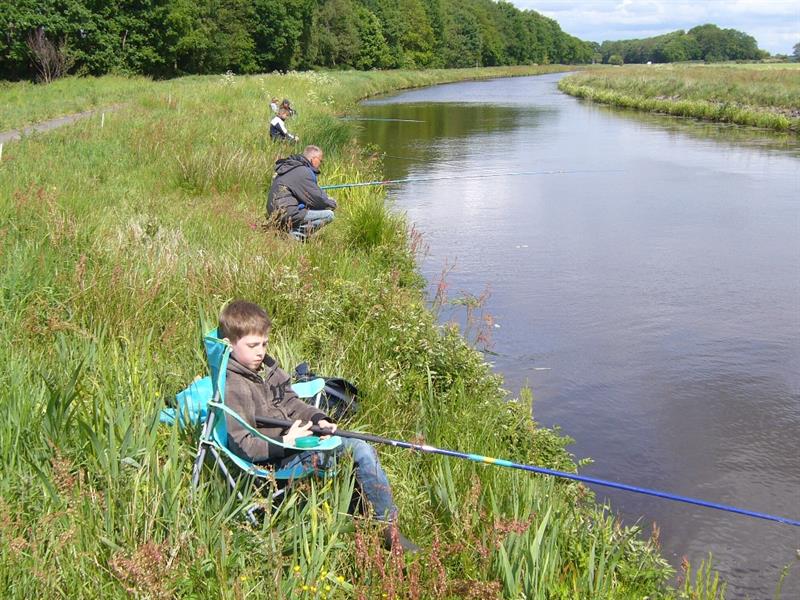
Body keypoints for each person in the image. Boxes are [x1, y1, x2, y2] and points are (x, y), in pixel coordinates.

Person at [219, 300, 419, 553]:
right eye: (252, 345)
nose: (260, 352)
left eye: (264, 344)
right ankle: (381, 527)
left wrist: (318, 419)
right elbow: (243, 444)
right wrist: (284, 443)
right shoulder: (234, 385)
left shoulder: (265, 368)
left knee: (359, 446)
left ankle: (376, 521)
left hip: (298, 442)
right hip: (276, 460)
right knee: (355, 452)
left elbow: (290, 402)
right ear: (229, 344)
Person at [267, 145, 337, 231]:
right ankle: (294, 236)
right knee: (329, 215)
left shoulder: (291, 168)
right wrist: (331, 203)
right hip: (285, 212)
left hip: (274, 212)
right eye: (321, 161)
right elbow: (316, 199)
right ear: (314, 159)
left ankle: (285, 231)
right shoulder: (304, 171)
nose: (321, 164)